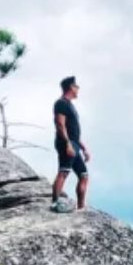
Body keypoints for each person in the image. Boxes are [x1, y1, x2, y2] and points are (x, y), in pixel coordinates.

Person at [51, 76, 91, 212]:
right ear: (71, 87)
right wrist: (67, 144)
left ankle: (81, 207)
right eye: (76, 86)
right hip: (66, 143)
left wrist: (84, 148)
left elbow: (74, 131)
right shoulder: (61, 103)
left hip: (74, 143)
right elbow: (60, 125)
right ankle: (55, 203)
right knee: (63, 172)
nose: (78, 88)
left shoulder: (70, 105)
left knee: (84, 176)